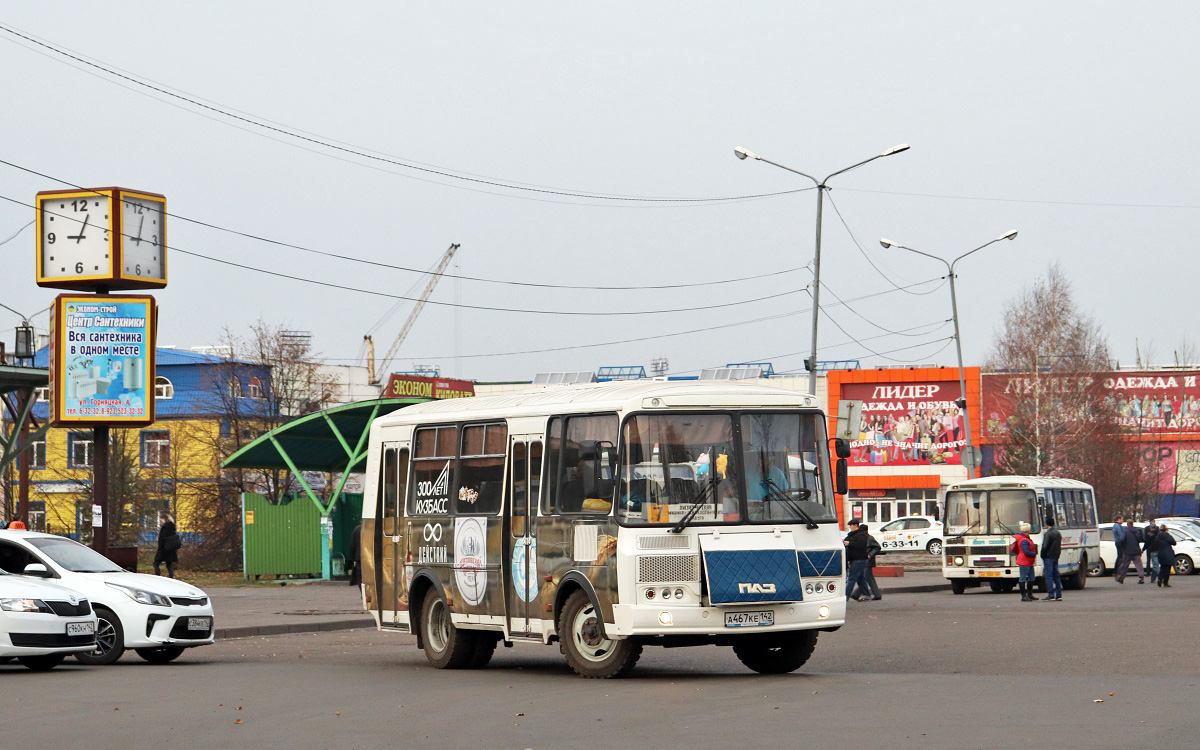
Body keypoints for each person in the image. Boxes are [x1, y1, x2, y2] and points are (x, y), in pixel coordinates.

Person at [843, 519, 871, 601]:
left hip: (859, 559)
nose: (850, 527)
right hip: (855, 559)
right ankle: (867, 594)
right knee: (860, 578)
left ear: (855, 525)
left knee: (851, 578)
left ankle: (846, 597)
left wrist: (849, 543)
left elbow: (860, 545)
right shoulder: (851, 535)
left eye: (851, 525)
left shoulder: (861, 535)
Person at [1013, 521, 1039, 601]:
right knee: (1023, 578)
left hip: (1028, 562)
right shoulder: (1024, 540)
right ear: (1027, 530)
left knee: (1031, 578)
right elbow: (1026, 551)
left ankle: (1029, 594)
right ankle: (1024, 596)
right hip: (1024, 561)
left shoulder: (1025, 538)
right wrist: (1034, 553)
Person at [1114, 518, 1145, 584]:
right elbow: (1139, 539)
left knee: (1125, 565)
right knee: (1138, 564)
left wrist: (1123, 546)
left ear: (1127, 524)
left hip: (1127, 550)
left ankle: (1121, 578)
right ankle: (1141, 577)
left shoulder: (1125, 531)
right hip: (1136, 549)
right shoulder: (1137, 531)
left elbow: (1122, 539)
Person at [1040, 515, 1063, 601]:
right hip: (1055, 556)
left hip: (1048, 556)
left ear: (1047, 524)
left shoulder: (1048, 534)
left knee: (1048, 576)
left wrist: (1042, 554)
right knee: (1056, 575)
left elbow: (1045, 546)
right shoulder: (1058, 533)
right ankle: (1059, 594)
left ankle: (1051, 594)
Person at [861, 524, 884, 601]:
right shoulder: (863, 538)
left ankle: (855, 594)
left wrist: (870, 554)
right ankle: (877, 595)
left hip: (868, 561)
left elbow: (877, 547)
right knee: (867, 577)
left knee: (866, 577)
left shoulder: (869, 538)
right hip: (863, 560)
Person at [347, 522, 362, 587]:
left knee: (360, 578)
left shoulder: (357, 529)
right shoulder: (373, 528)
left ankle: (363, 594)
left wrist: (353, 558)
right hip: (373, 558)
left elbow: (352, 544)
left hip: (359, 558)